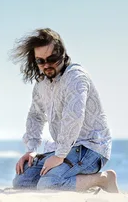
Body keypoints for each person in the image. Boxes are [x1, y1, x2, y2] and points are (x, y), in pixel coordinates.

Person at [9, 28, 119, 193]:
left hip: (91, 147)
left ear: (62, 54)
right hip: (63, 147)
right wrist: (31, 150)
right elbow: (36, 115)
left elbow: (73, 117)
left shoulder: (76, 77)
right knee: (22, 182)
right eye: (40, 61)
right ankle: (79, 184)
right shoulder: (42, 83)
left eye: (51, 58)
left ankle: (103, 179)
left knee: (49, 185)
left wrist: (59, 156)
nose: (46, 65)